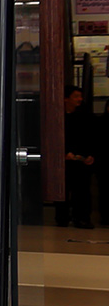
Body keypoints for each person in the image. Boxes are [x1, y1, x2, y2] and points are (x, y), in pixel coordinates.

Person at [60, 85, 96, 228]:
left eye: (80, 96)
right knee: (63, 189)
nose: (79, 99)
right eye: (76, 96)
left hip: (81, 159)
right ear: (66, 98)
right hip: (65, 159)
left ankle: (82, 218)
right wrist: (64, 152)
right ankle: (62, 217)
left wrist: (90, 155)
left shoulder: (85, 115)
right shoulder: (59, 117)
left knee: (82, 190)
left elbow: (91, 136)